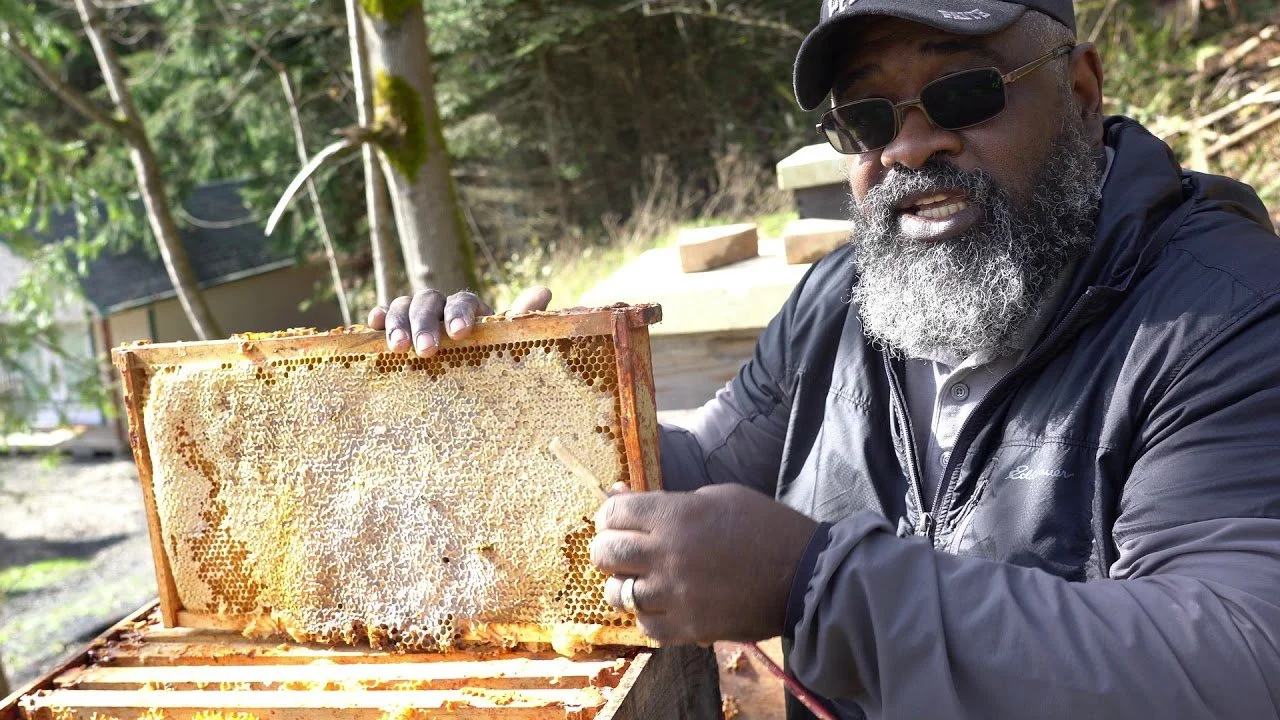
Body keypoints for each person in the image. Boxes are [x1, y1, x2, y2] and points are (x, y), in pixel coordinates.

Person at [370, 0, 1280, 716]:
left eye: (966, 92)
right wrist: (524, 409)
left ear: (1082, 91)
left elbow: (1242, 662)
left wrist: (812, 583)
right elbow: (697, 476)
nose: (912, 144)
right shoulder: (840, 298)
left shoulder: (1228, 311)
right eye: (867, 117)